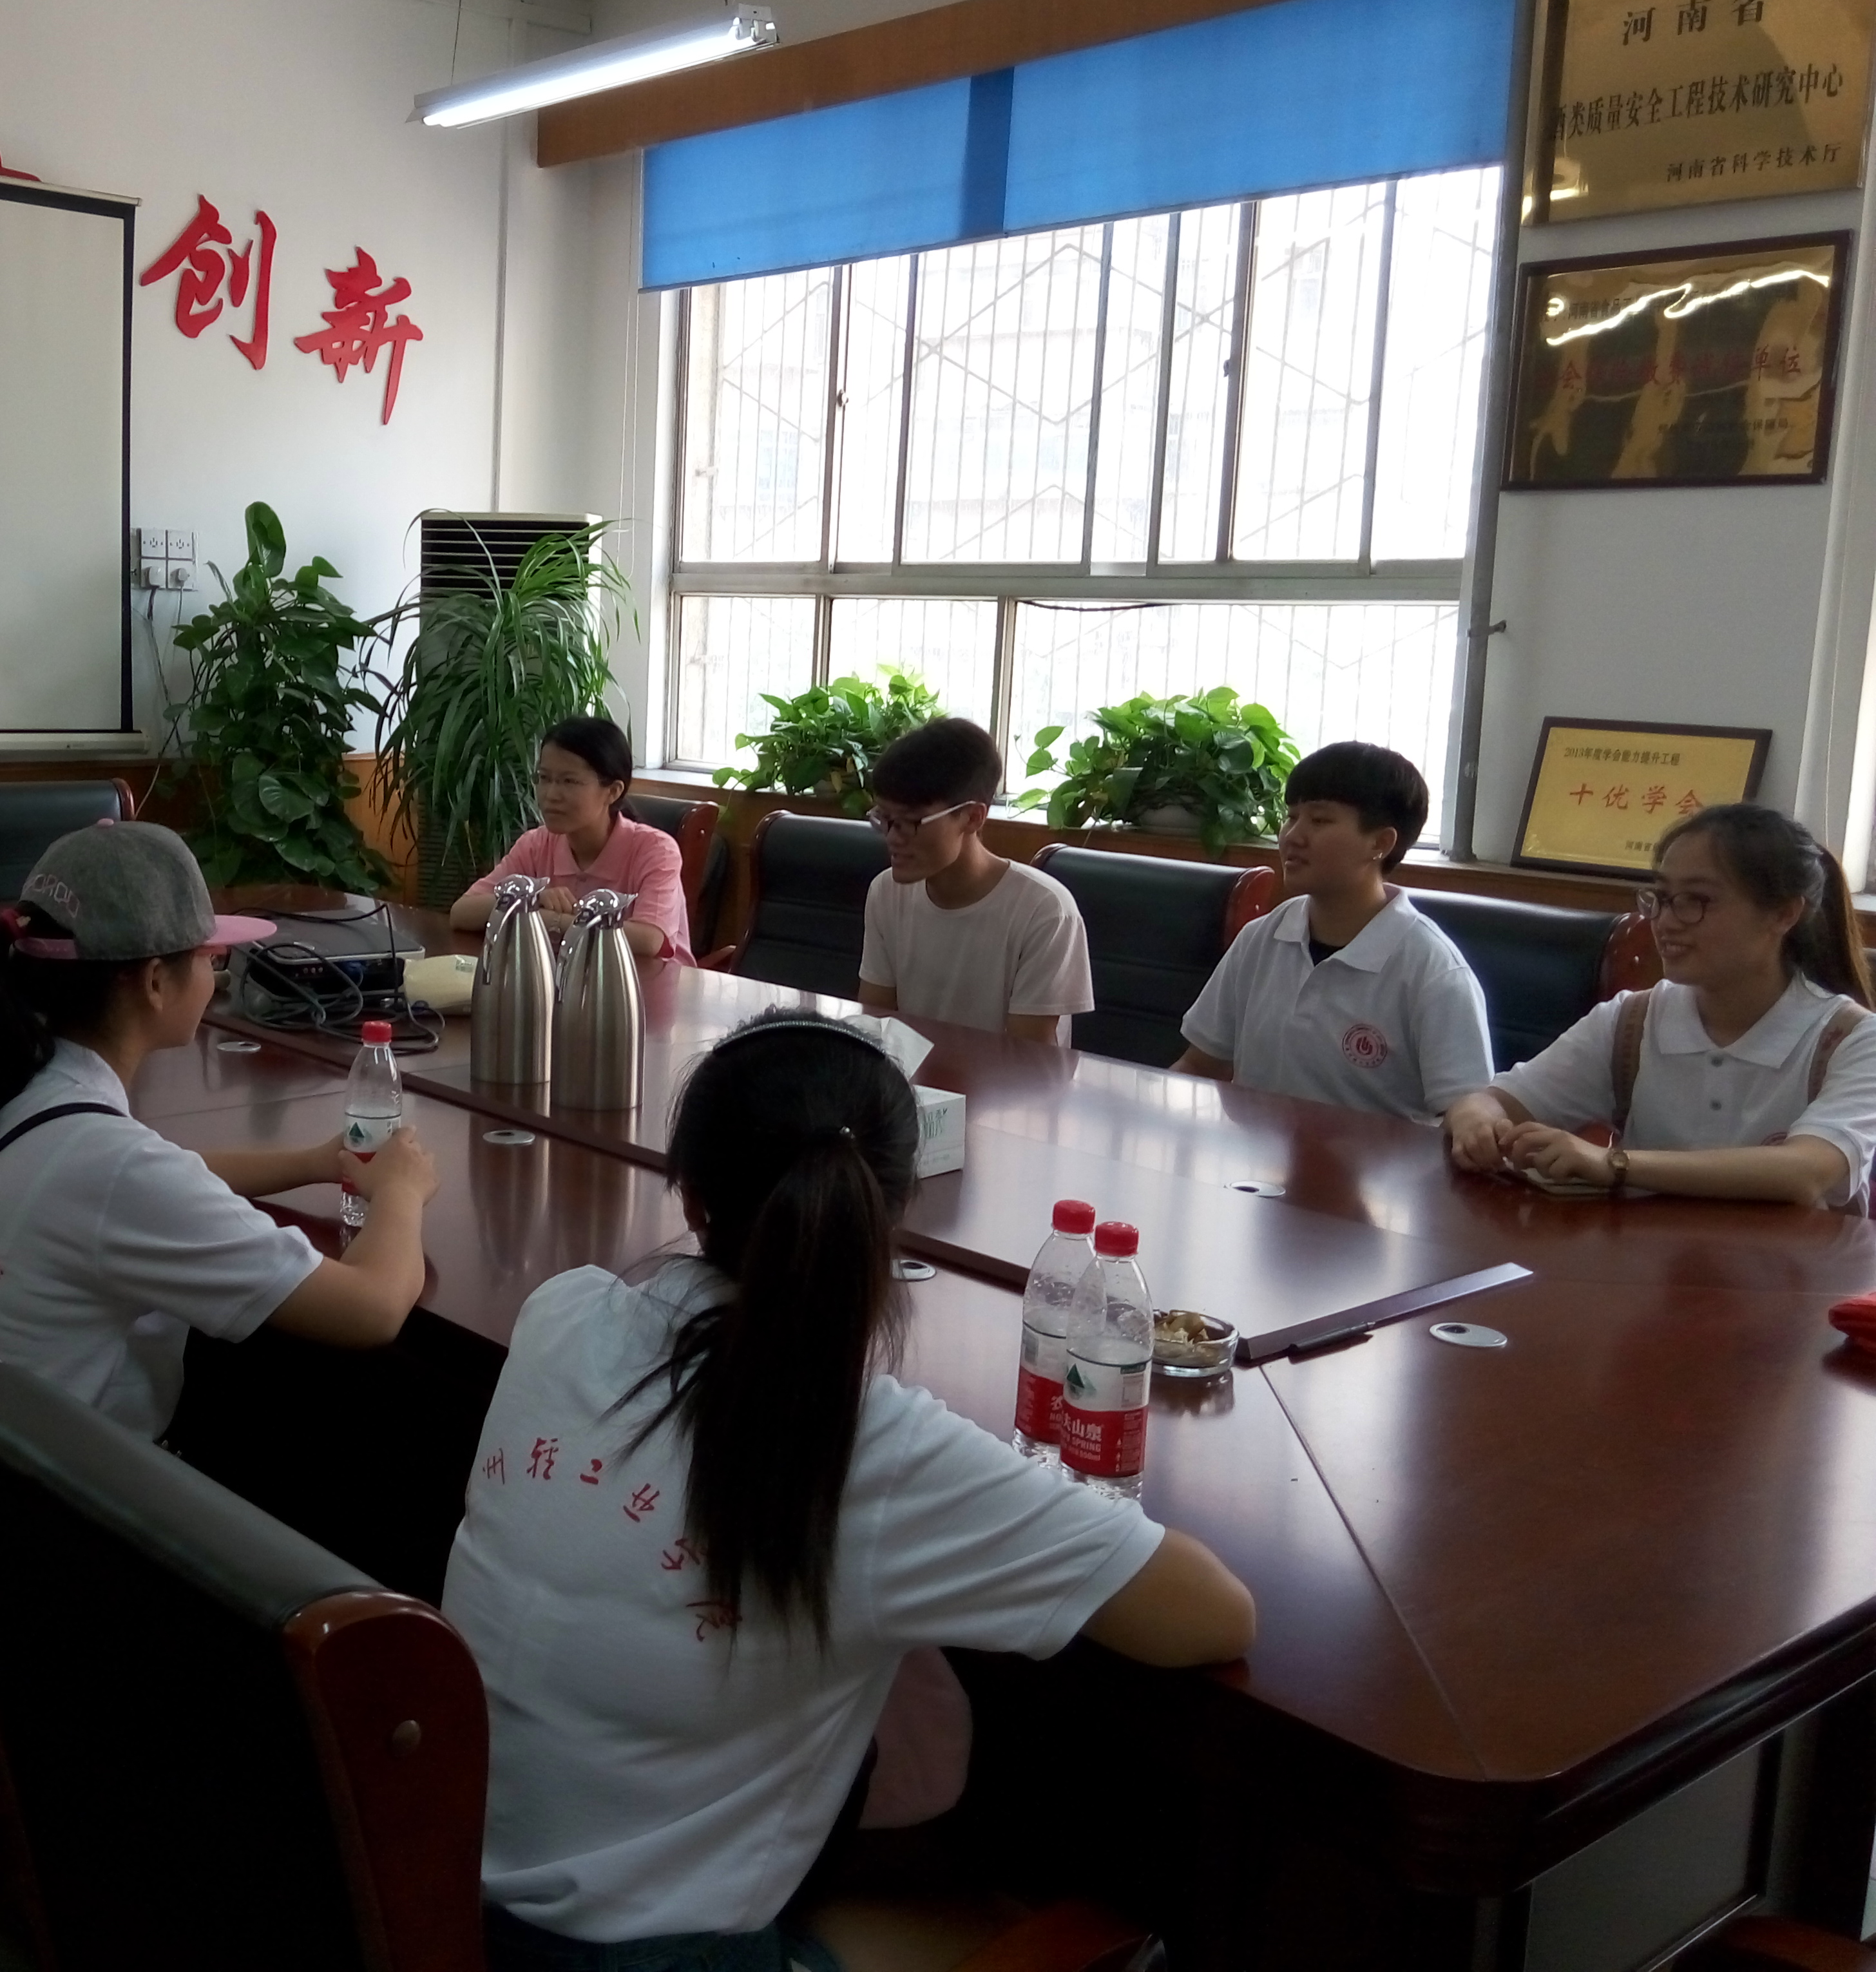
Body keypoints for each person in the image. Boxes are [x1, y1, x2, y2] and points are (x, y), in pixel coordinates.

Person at [441, 1011, 1255, 1972]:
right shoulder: (871, 1444)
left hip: (438, 1897)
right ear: (889, 1210)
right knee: (1070, 1915)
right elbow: (1212, 1614)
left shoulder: (563, 1315)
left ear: (690, 1194)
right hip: (657, 1955)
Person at [0, 819, 442, 1507]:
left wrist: (316, 1161)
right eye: (208, 957)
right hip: (4, 1523)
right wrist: (402, 1191)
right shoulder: (111, 1166)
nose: (216, 974)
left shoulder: (23, 1080)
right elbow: (371, 1309)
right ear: (156, 980)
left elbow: (160, 1177)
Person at [1444, 801, 1876, 1207]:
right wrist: (1476, 1121)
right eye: (1663, 899)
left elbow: (1806, 1171)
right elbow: (1494, 1100)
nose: (1665, 922)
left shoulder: (1851, 1040)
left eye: (1696, 901)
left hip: (1791, 1266)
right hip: (1645, 1259)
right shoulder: (1632, 1020)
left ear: (1783, 914)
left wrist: (1614, 1164)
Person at [1175, 742, 1493, 1121]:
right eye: (1291, 817)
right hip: (1255, 1158)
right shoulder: (1259, 940)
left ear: (1380, 843)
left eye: (1320, 820)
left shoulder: (1433, 970)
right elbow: (1199, 1066)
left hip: (1375, 1162)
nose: (1293, 836)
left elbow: (1466, 1114)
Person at [856, 719, 1093, 1042]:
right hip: (905, 1073)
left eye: (910, 822)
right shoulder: (886, 892)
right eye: (884, 819)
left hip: (1005, 1077)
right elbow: (875, 1025)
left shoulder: (1045, 911)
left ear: (973, 817)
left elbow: (1028, 1056)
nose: (892, 837)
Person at [448, 716, 693, 964]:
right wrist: (531, 900)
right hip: (565, 977)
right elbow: (462, 912)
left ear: (613, 791)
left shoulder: (656, 850)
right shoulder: (536, 845)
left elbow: (648, 940)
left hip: (650, 982)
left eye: (569, 781)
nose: (551, 795)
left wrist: (549, 919)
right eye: (544, 778)